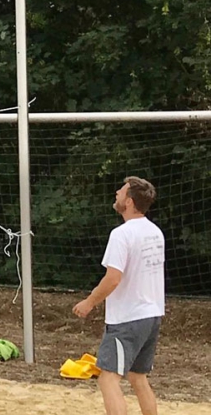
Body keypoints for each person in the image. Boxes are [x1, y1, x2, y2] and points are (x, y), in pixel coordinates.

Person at [73, 176, 164, 415]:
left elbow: (113, 278)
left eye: (122, 191)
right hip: (152, 314)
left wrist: (89, 302)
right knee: (138, 377)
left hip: (127, 318)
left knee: (107, 379)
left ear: (130, 201)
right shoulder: (155, 232)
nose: (116, 193)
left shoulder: (122, 234)